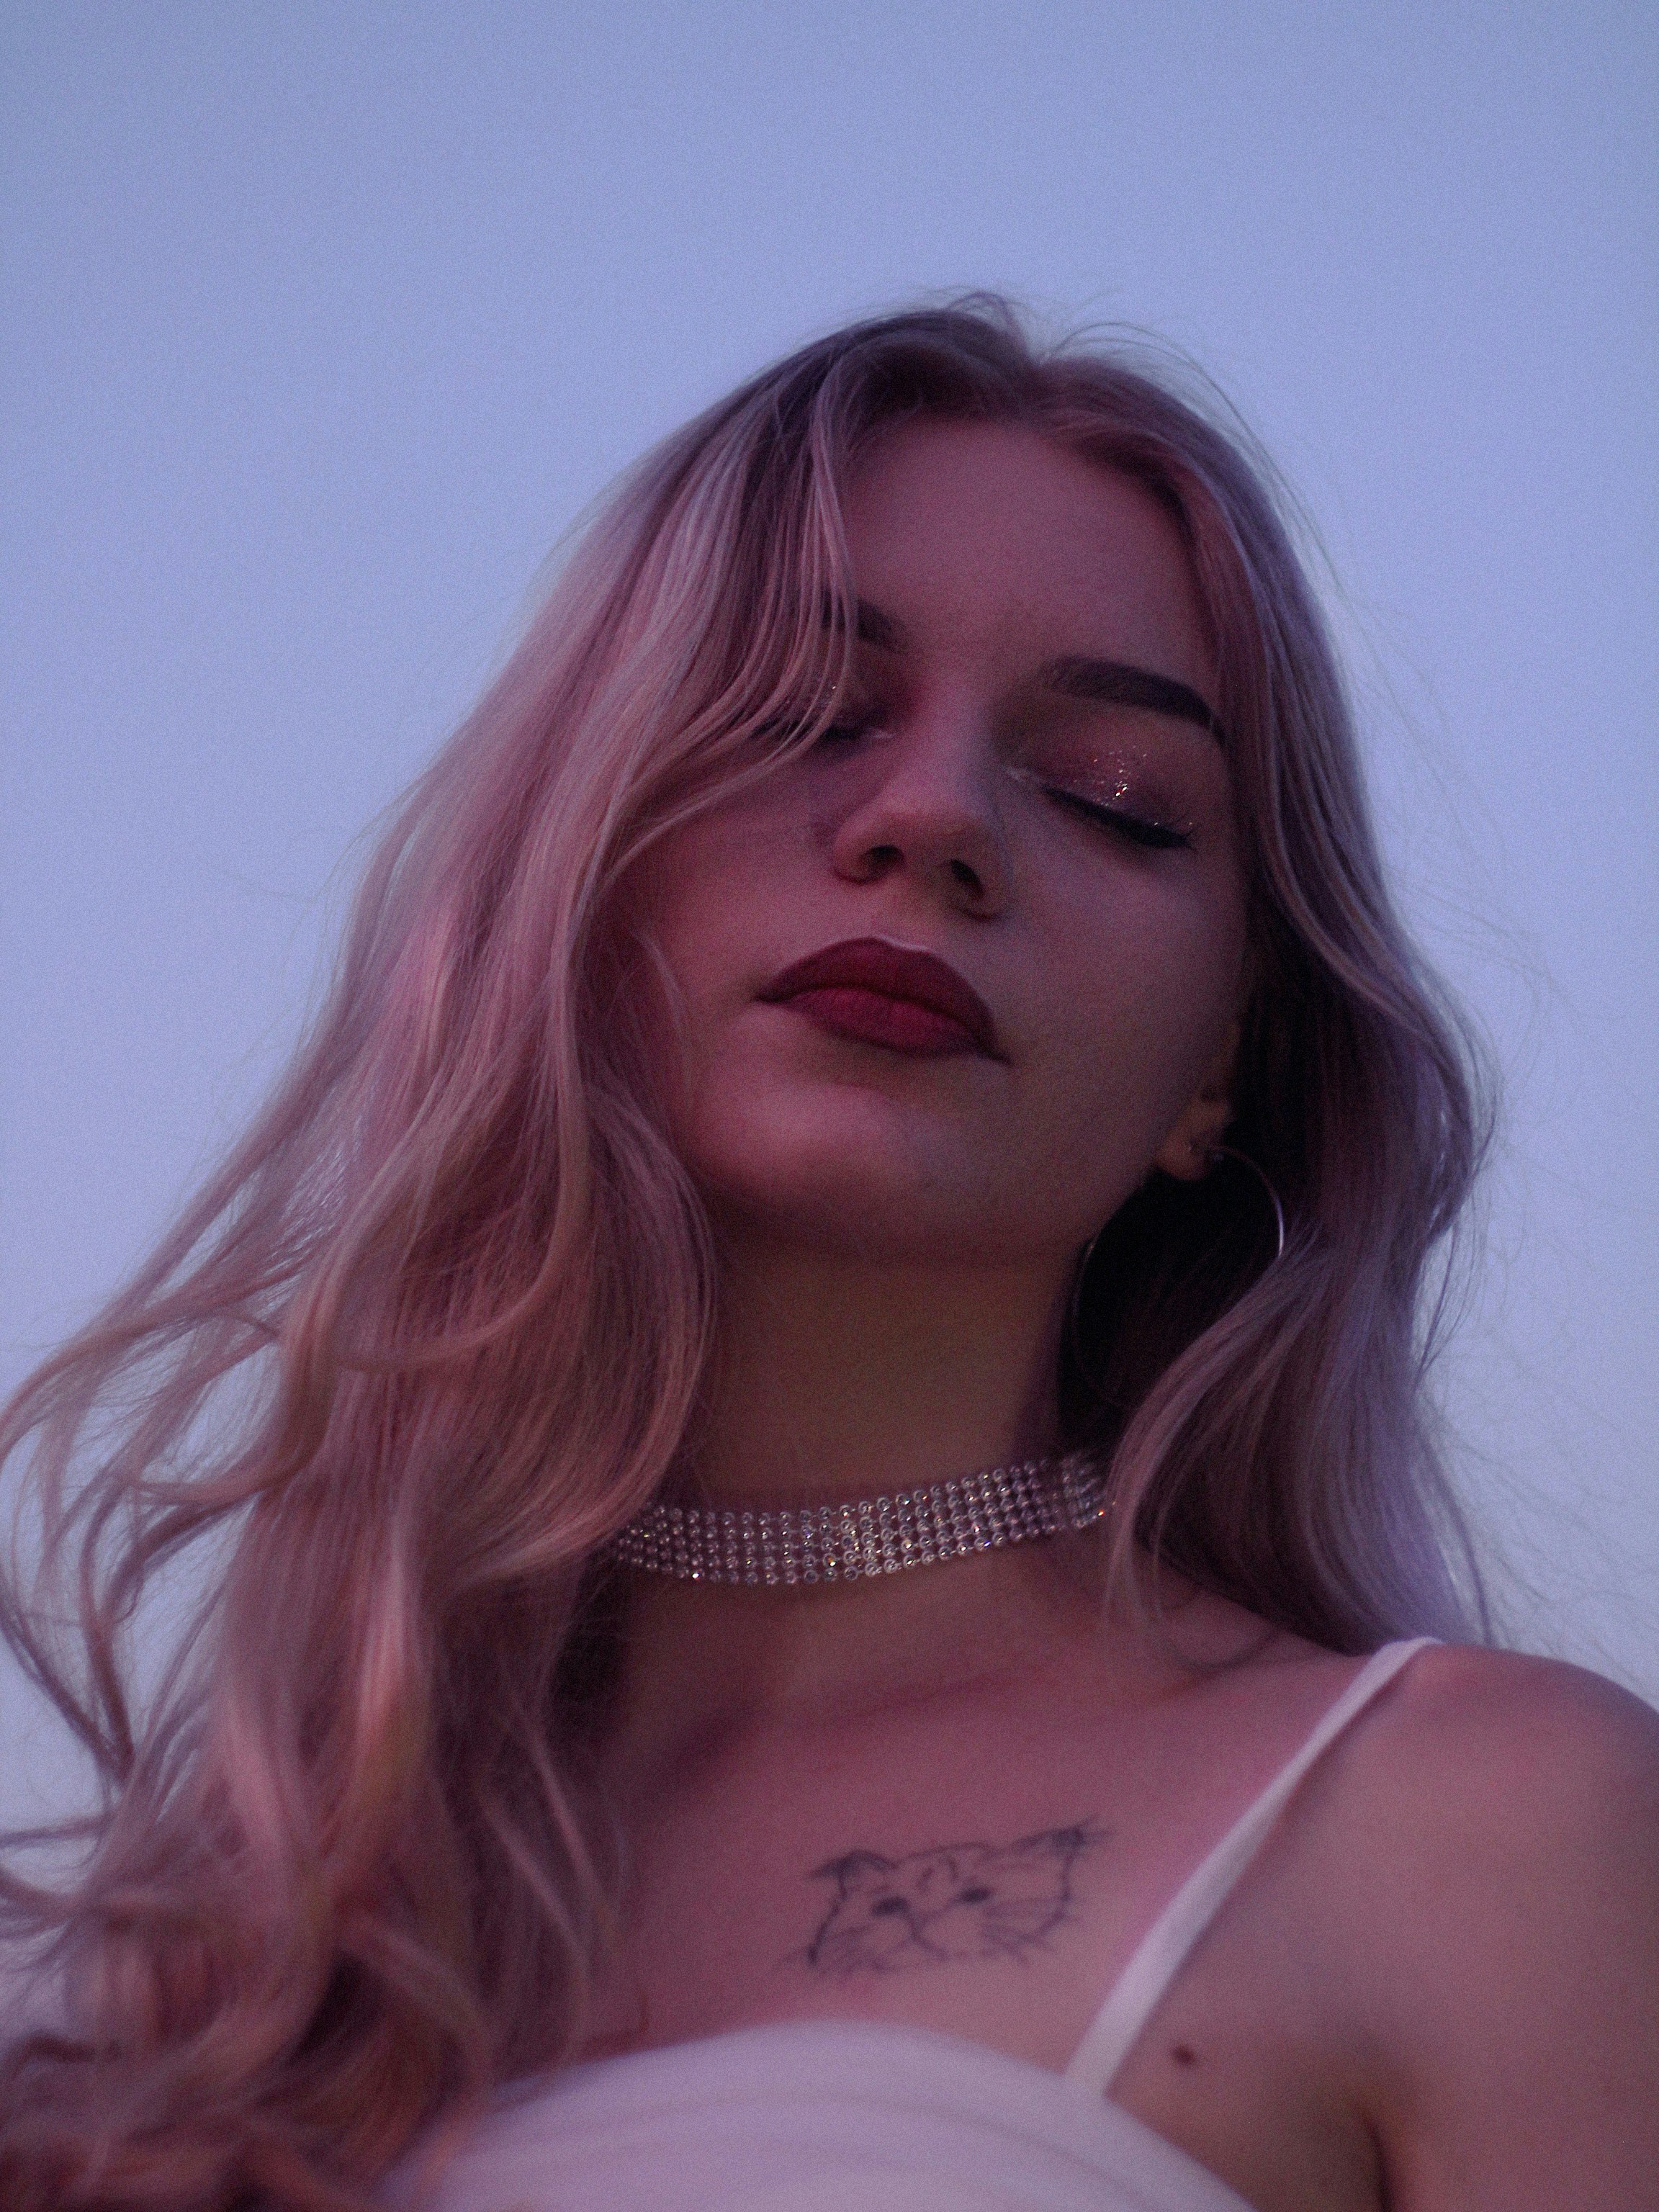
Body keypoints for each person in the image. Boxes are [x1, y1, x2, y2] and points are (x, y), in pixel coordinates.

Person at [1, 300, 1655, 2212]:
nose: (936, 817)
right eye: (800, 710)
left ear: (1224, 1065)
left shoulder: (1479, 1836)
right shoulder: (195, 1967)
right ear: (576, 860)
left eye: (1118, 800)